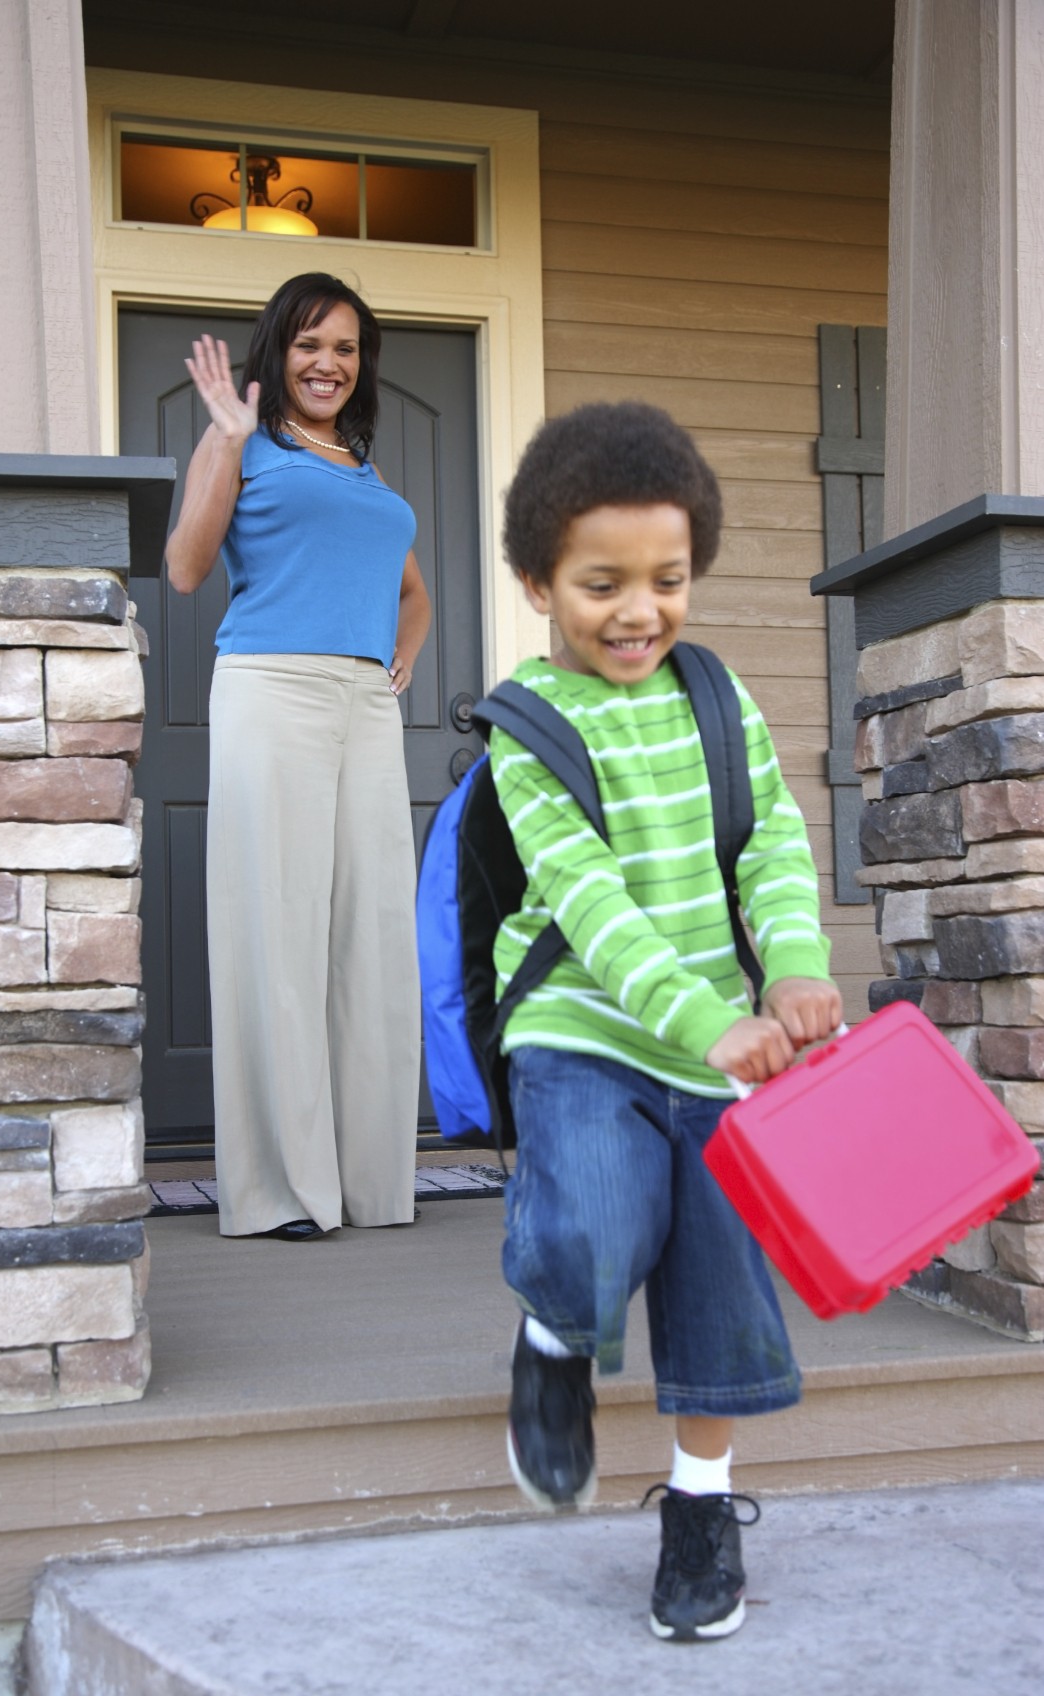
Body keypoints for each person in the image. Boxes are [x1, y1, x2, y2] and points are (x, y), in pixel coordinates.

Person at [489, 401, 842, 1641]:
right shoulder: (526, 728)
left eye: (667, 578)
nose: (638, 610)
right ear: (537, 581)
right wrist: (702, 1020)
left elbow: (774, 846)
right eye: (601, 584)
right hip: (592, 1027)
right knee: (595, 1217)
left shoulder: (716, 695)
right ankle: (551, 1338)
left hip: (724, 1051)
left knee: (722, 1282)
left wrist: (793, 965)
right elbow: (592, 908)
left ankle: (700, 1508)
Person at [165, 273, 432, 1241]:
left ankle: (367, 1181)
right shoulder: (243, 440)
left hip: (364, 706)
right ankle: (282, 1189)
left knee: (369, 937)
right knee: (277, 932)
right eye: (311, 343)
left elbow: (413, 592)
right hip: (269, 690)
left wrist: (400, 655)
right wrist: (227, 446)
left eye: (347, 348)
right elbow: (186, 568)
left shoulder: (361, 469)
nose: (328, 363)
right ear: (278, 349)